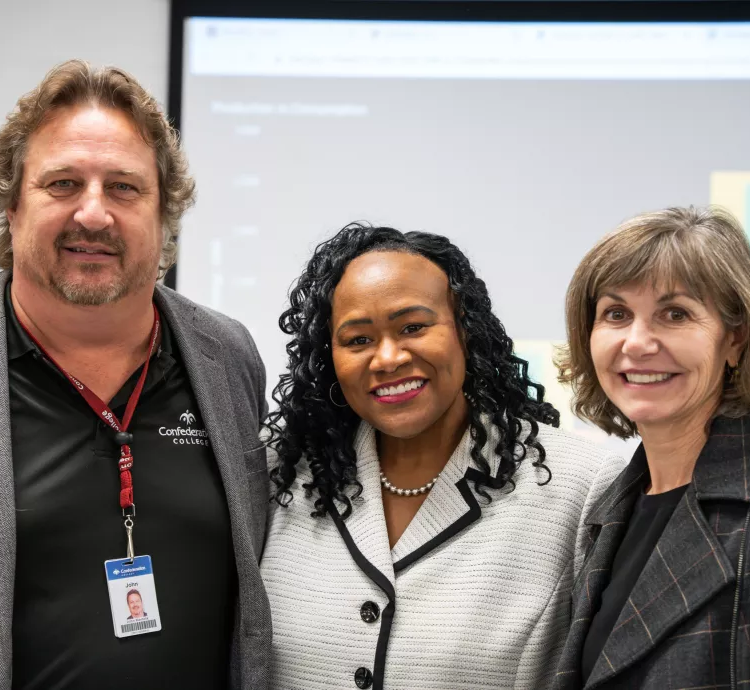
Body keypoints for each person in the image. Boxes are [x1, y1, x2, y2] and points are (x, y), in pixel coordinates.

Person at [0, 60, 271, 689]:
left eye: (124, 187)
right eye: (63, 184)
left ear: (164, 214)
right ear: (12, 206)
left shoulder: (227, 356)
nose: (93, 214)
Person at [260, 224, 623, 690]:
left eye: (413, 327)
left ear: (466, 331)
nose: (387, 358)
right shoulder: (279, 478)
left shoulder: (581, 486)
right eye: (357, 340)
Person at [551, 206, 750, 688]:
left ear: (735, 339)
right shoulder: (608, 510)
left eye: (675, 314)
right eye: (616, 314)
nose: (637, 343)